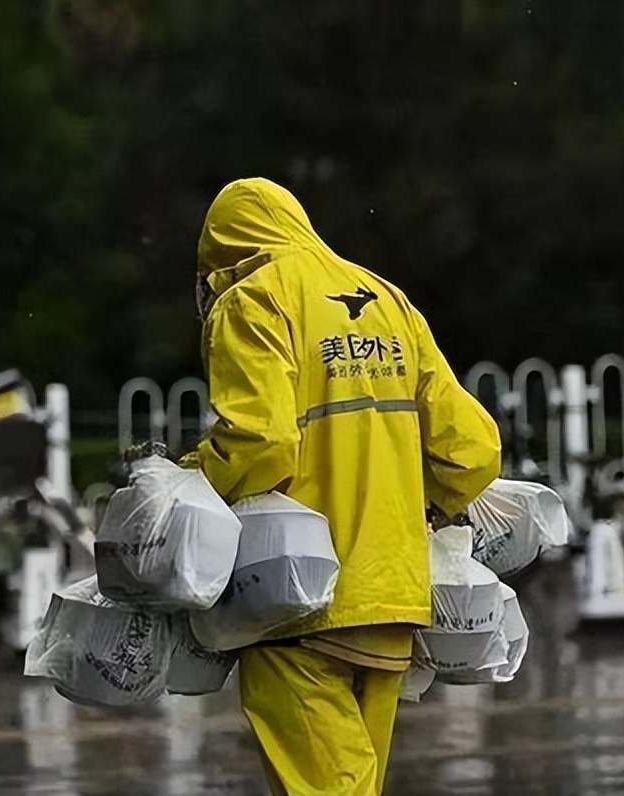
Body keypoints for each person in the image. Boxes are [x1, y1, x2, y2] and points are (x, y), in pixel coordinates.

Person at [193, 177, 501, 795]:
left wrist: (191, 485)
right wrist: (428, 509)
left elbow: (263, 443)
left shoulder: (253, 298)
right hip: (392, 593)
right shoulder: (386, 299)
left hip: (295, 596)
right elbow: (474, 449)